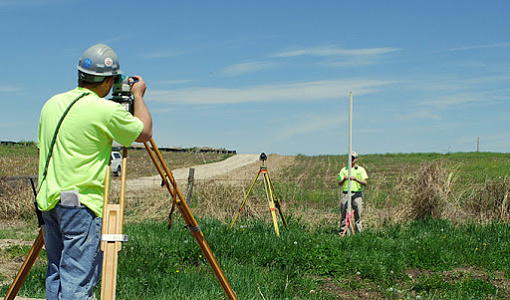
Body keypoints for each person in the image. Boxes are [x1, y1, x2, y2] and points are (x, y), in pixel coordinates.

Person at [36, 44, 152, 299]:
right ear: (109, 80)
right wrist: (139, 96)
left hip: (48, 201)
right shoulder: (105, 110)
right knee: (77, 282)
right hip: (80, 204)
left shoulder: (52, 104)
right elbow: (144, 132)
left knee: (56, 273)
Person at [337, 151, 368, 234]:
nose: (351, 160)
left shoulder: (360, 170)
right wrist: (344, 179)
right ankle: (343, 232)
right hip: (346, 193)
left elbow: (365, 182)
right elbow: (339, 183)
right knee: (344, 213)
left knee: (358, 213)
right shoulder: (344, 170)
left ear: (356, 159)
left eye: (352, 158)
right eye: (349, 158)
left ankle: (358, 233)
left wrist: (356, 179)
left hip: (357, 194)